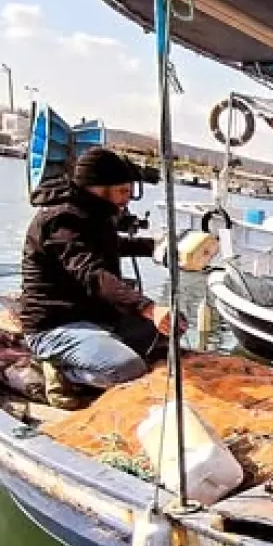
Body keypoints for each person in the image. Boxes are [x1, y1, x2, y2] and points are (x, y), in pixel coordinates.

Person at [20, 148, 177, 408]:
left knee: (165, 332)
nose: (127, 200)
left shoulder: (93, 214)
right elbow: (92, 273)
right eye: (122, 192)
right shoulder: (61, 220)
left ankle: (99, 349)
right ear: (98, 188)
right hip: (55, 325)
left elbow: (110, 246)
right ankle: (61, 371)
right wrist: (147, 307)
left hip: (95, 317)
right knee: (129, 369)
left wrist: (154, 247)